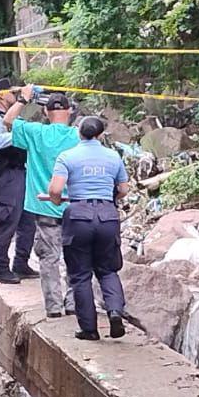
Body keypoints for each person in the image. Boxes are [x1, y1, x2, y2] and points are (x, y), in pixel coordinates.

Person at [47, 117, 130, 342]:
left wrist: (57, 201)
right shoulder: (113, 156)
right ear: (101, 135)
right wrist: (109, 198)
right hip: (107, 216)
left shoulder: (67, 157)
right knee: (108, 270)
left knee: (81, 275)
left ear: (79, 133)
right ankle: (115, 311)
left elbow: (55, 189)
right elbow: (123, 189)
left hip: (78, 216)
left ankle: (89, 329)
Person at [2, 85, 78, 318]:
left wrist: (23, 99)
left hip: (44, 205)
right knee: (75, 256)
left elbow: (8, 120)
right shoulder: (78, 136)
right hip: (75, 206)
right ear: (70, 111)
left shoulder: (35, 132)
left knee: (49, 258)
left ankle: (53, 307)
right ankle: (73, 303)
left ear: (45, 112)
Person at [0, 79, 39, 285]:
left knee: (28, 221)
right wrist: (20, 136)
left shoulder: (12, 116)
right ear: (2, 95)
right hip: (3, 174)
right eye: (12, 92)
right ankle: (1, 268)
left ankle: (21, 263)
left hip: (20, 171)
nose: (15, 94)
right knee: (7, 220)